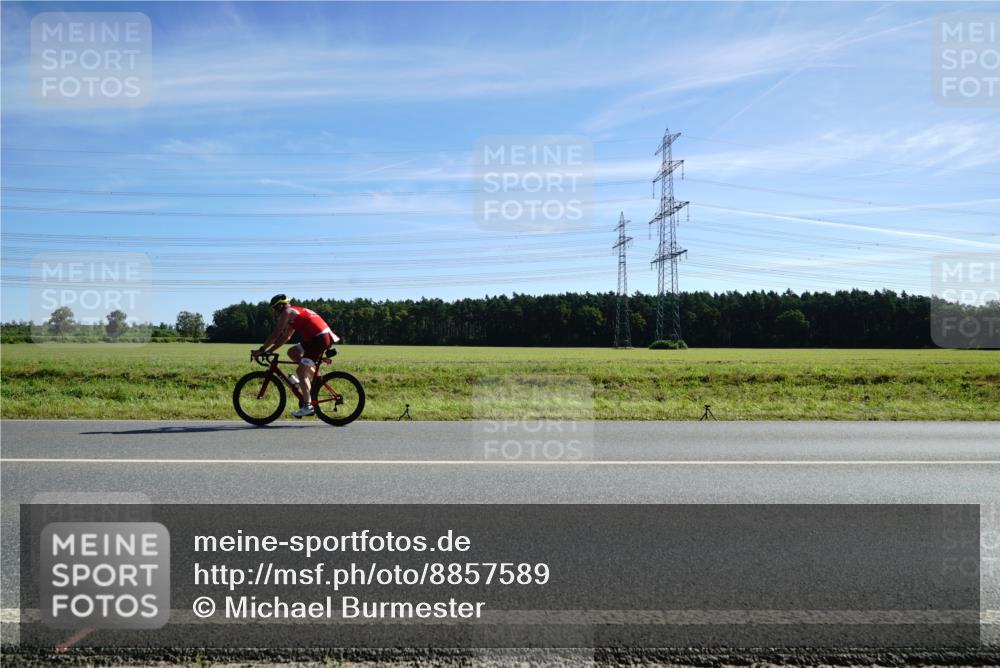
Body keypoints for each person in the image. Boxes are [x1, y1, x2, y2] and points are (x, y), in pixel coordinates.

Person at [253, 294, 340, 417]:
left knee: (300, 371)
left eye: (274, 308)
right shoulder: (293, 312)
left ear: (280, 306)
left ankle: (308, 406)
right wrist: (270, 350)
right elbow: (286, 337)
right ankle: (313, 380)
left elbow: (276, 333)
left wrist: (262, 349)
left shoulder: (287, 312)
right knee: (292, 352)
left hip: (319, 339)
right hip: (316, 338)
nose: (274, 311)